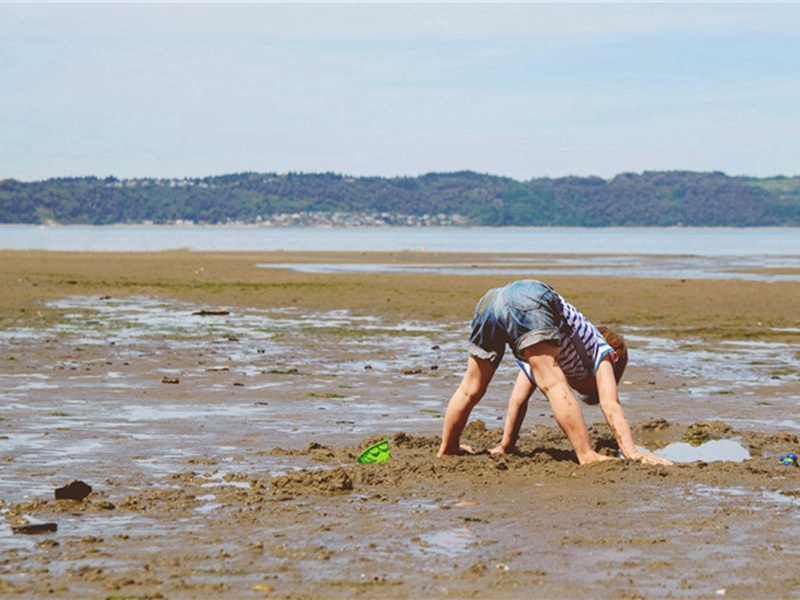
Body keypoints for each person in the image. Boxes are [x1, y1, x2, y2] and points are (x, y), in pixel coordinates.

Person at [437, 280, 672, 466]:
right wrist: (631, 452)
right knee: (554, 384)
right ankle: (587, 454)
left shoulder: (542, 350)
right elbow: (610, 404)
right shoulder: (603, 351)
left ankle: (448, 448)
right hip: (530, 295)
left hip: (490, 302)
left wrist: (507, 446)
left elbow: (518, 399)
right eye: (589, 388)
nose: (577, 385)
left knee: (470, 388)